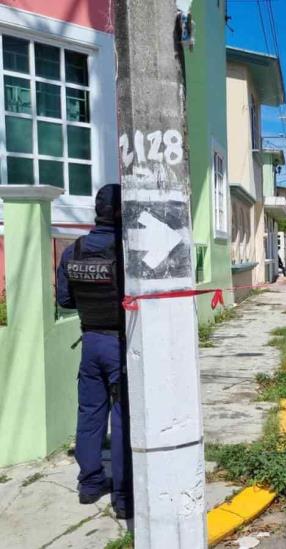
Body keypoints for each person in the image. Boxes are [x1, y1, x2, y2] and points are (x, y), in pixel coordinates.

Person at [56, 184, 132, 520]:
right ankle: (123, 495)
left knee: (90, 414)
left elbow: (65, 300)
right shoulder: (127, 250)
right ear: (120, 212)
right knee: (123, 417)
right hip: (119, 343)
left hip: (90, 343)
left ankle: (89, 484)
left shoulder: (75, 250)